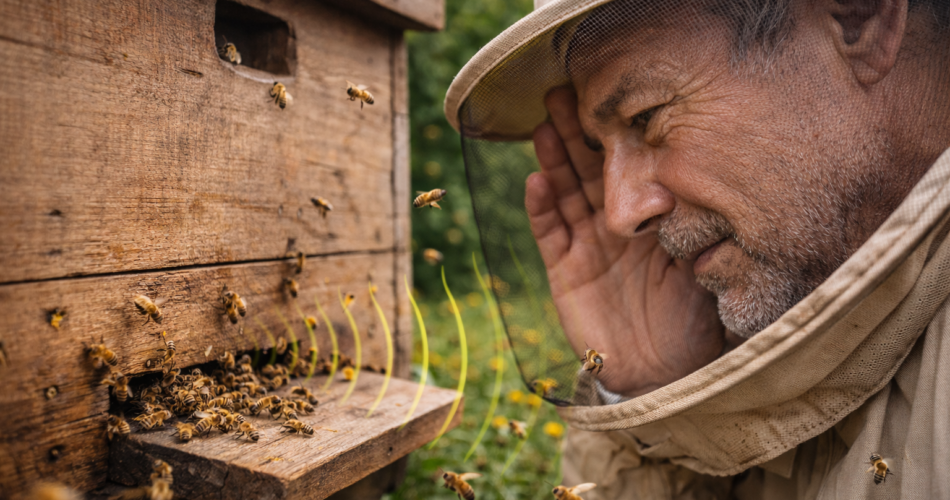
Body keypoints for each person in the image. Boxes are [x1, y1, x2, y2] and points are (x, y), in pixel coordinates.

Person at [444, 0, 950, 498]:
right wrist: (658, 390)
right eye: (601, 150)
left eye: (645, 116)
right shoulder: (804, 277)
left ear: (858, 17)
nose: (621, 214)